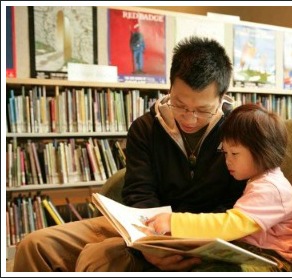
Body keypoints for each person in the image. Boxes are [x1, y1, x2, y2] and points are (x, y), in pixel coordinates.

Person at [13, 36, 247, 272]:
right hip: (147, 228)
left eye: (202, 110)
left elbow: (241, 202)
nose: (189, 118)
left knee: (98, 259)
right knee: (35, 245)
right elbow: (139, 192)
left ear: (222, 98)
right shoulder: (145, 128)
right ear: (170, 87)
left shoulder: (240, 132)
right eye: (180, 104)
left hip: (206, 232)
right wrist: (152, 246)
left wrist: (185, 231)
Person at [146, 103, 292, 271]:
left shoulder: (271, 188)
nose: (227, 160)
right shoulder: (259, 181)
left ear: (263, 151)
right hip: (258, 253)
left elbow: (230, 225)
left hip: (283, 262)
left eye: (234, 153)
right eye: (225, 152)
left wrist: (174, 221)